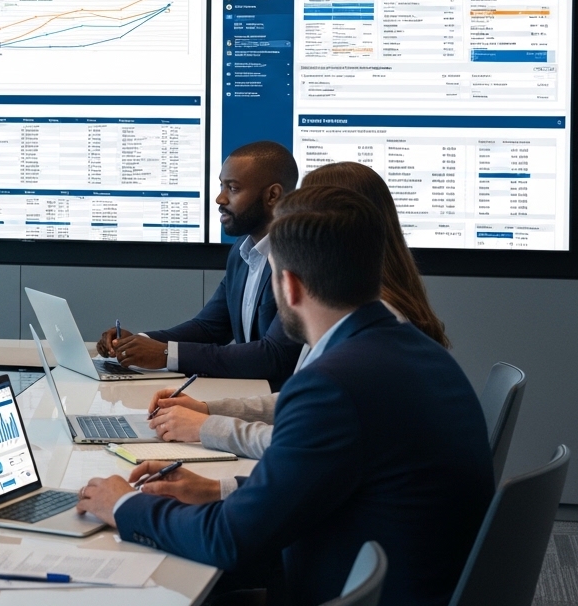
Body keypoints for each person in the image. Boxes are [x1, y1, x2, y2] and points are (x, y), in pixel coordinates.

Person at [75, 187, 493, 606]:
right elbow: (322, 481)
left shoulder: (332, 386)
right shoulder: (416, 351)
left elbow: (228, 541)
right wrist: (218, 490)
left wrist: (124, 505)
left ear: (289, 286)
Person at [150, 163, 450, 463]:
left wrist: (206, 426)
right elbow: (303, 405)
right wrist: (208, 410)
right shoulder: (358, 315)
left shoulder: (370, 337)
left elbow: (301, 443)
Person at [99, 141, 305, 389]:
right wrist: (137, 342)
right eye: (221, 185)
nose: (220, 198)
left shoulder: (300, 259)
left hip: (282, 409)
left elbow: (275, 356)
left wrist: (166, 354)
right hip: (251, 397)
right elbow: (209, 328)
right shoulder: (242, 252)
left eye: (233, 188)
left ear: (272, 195)